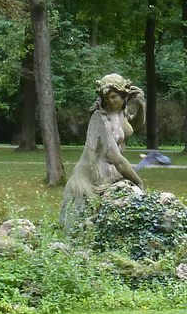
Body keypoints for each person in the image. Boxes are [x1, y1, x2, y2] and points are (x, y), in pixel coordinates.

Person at [61, 73, 145, 228]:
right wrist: (138, 181)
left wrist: (141, 106)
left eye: (114, 97)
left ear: (123, 95)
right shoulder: (100, 118)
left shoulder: (121, 113)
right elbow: (115, 157)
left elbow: (134, 127)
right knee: (87, 228)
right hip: (93, 179)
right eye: (106, 98)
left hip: (113, 175)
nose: (110, 101)